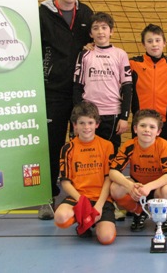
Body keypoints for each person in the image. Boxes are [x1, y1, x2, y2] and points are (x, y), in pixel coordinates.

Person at [39, 0, 94, 220]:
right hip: (52, 91)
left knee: (82, 145)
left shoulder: (86, 14)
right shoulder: (41, 14)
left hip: (80, 92)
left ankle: (83, 196)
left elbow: (96, 43)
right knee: (52, 145)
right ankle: (46, 197)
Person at [53, 101, 116, 245]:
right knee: (61, 217)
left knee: (106, 238)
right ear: (75, 125)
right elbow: (65, 182)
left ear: (97, 124)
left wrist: (99, 205)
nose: (86, 127)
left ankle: (94, 221)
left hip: (101, 198)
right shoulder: (67, 148)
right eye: (81, 123)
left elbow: (108, 178)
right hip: (78, 197)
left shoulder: (107, 146)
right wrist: (83, 202)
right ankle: (82, 222)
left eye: (90, 122)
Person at [73, 12, 132, 155]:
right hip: (89, 113)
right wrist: (76, 117)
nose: (100, 32)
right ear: (90, 33)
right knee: (87, 153)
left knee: (110, 153)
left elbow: (127, 88)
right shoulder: (84, 55)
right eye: (96, 28)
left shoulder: (120, 54)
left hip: (112, 113)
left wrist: (124, 117)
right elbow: (77, 87)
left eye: (104, 27)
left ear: (111, 31)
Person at [109, 109, 167, 232]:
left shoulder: (163, 145)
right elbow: (113, 171)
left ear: (158, 131)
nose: (147, 130)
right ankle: (138, 211)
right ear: (135, 129)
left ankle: (163, 216)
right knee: (115, 188)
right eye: (143, 126)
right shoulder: (130, 145)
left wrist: (149, 187)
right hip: (138, 188)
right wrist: (130, 186)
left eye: (152, 127)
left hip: (157, 188)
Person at [130, 24, 167, 158]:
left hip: (164, 121)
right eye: (149, 41)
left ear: (164, 43)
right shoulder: (134, 64)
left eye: (158, 40)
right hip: (141, 122)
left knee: (166, 158)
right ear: (143, 44)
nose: (154, 44)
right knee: (140, 159)